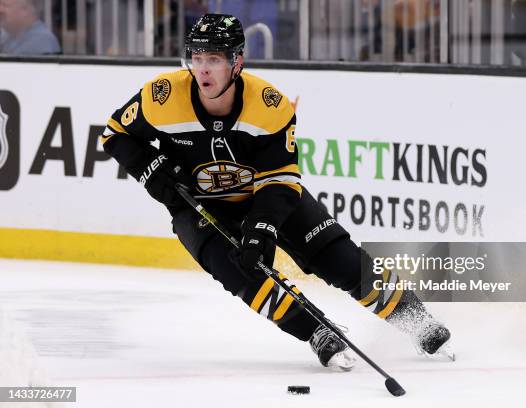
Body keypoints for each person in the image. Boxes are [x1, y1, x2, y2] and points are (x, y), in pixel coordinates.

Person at [101, 14, 452, 370]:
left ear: (236, 63)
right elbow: (114, 134)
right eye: (198, 57)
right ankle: (316, 331)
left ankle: (415, 319)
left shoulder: (269, 106)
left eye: (214, 59)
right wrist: (152, 171)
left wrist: (262, 228)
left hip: (263, 197)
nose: (202, 70)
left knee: (338, 258)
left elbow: (281, 179)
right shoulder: (161, 97)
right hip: (200, 208)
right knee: (242, 274)